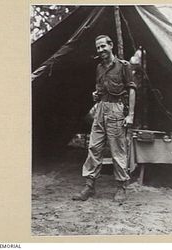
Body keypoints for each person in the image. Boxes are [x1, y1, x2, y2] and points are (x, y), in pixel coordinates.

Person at [72, 35, 136, 202]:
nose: (101, 50)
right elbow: (99, 90)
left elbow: (132, 90)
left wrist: (130, 115)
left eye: (103, 46)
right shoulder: (99, 68)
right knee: (94, 147)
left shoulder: (124, 66)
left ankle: (121, 187)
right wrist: (96, 94)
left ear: (111, 45)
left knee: (118, 150)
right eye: (98, 48)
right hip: (100, 109)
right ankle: (89, 186)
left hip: (116, 109)